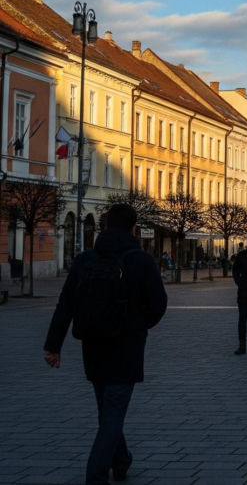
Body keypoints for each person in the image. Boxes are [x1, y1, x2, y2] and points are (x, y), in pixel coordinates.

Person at [43, 202, 168, 485]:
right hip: (127, 347)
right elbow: (159, 304)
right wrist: (138, 325)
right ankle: (96, 475)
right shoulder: (142, 260)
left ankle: (121, 460)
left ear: (106, 226)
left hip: (93, 345)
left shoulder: (86, 260)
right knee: (112, 413)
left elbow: (66, 304)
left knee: (107, 408)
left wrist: (53, 345)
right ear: (133, 228)